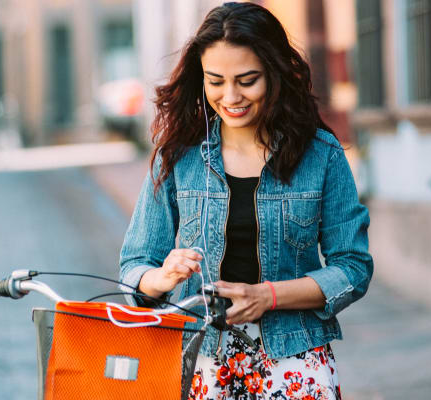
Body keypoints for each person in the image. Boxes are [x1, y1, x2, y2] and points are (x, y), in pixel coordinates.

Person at [119, 3, 373, 399]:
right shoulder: (178, 158)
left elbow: (353, 268)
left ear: (274, 74)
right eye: (215, 81)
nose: (231, 96)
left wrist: (267, 297)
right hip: (199, 363)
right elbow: (134, 269)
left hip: (296, 363)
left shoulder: (321, 155)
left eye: (247, 80)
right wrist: (162, 278)